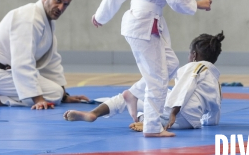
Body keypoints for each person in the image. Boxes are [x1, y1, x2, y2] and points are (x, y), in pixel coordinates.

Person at [91, 0, 213, 137]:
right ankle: (152, 126)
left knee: (171, 63)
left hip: (139, 23)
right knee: (157, 78)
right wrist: (198, 4)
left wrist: (101, 15)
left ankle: (132, 95)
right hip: (145, 24)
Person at [63, 32, 225, 132]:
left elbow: (184, 88)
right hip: (190, 123)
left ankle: (96, 114)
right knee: (140, 102)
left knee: (131, 97)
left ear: (194, 55)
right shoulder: (215, 79)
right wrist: (208, 123)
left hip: (174, 114)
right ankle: (144, 119)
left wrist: (173, 113)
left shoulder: (194, 68)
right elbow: (215, 107)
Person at [0, 0, 89, 109]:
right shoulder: (29, 18)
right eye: (58, 1)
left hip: (8, 72)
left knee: (58, 92)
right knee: (54, 94)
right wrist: (38, 99)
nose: (60, 7)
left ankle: (1, 96)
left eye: (65, 4)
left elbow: (51, 62)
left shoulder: (46, 21)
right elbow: (22, 61)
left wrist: (65, 96)